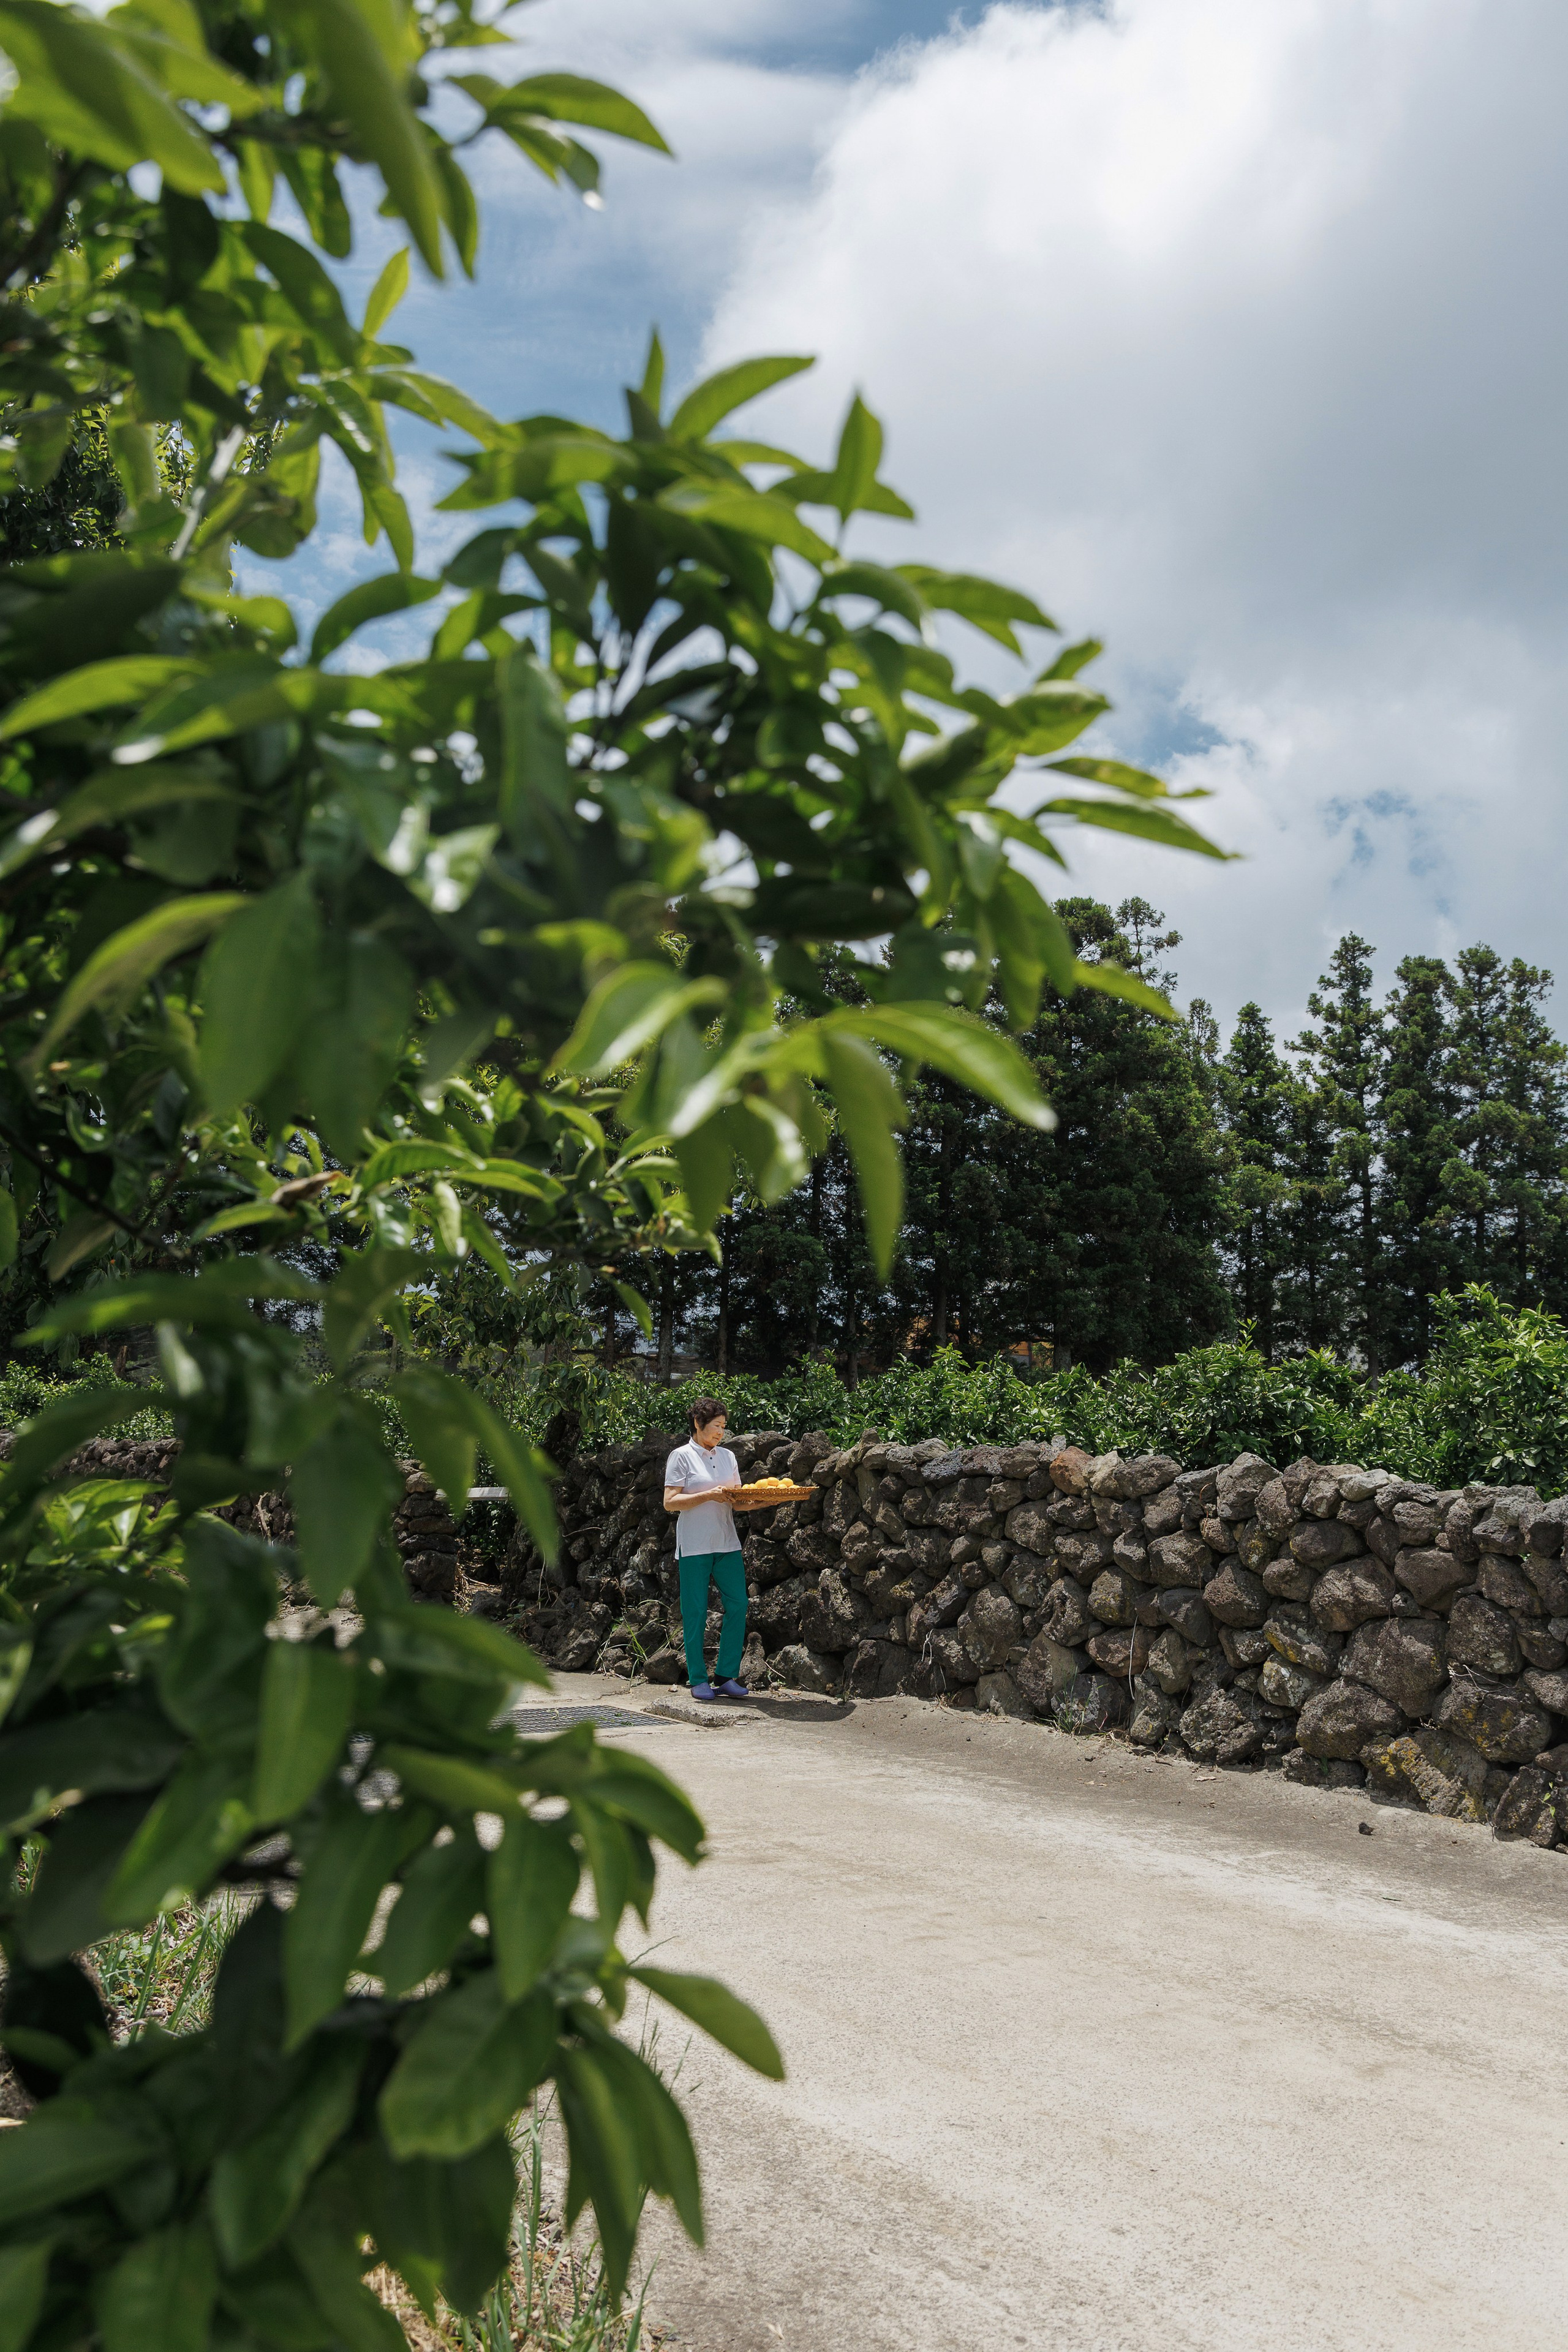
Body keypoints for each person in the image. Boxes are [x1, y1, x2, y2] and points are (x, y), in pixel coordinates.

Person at [663, 1398, 751, 1701]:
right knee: (696, 1611)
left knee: (739, 1604)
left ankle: (727, 1676)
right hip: (694, 1545)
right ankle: (698, 1678)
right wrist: (708, 1495)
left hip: (727, 1542)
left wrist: (772, 1500)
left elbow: (737, 1501)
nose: (721, 1433)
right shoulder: (681, 1456)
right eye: (716, 1426)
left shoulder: (728, 1457)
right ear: (698, 1425)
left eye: (724, 1427)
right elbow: (670, 1502)